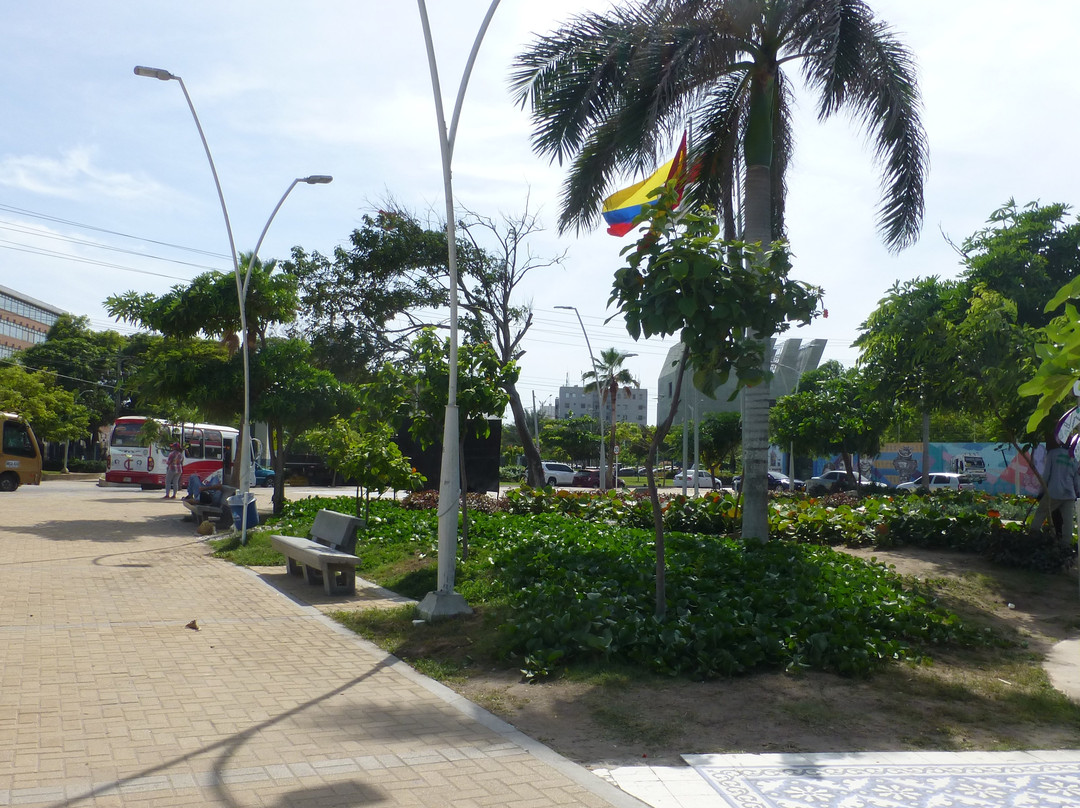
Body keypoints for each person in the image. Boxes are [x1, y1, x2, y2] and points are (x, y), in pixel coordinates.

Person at [1029, 435, 1080, 537]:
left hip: (1054, 493)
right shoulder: (1074, 457)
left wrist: (1041, 492)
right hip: (1069, 494)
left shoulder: (1053, 453)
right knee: (1068, 522)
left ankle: (1032, 538)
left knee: (1041, 513)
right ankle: (1066, 545)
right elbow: (1076, 479)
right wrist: (1078, 492)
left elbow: (1046, 475)